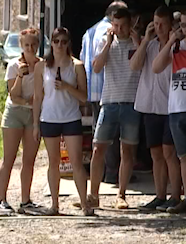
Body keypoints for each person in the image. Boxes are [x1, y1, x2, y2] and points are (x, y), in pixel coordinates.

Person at [33, 27, 92, 216]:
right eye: (56, 41)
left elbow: (84, 97)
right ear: (51, 42)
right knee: (53, 161)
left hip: (71, 117)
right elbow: (37, 97)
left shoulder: (76, 66)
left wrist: (67, 86)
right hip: (49, 117)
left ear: (68, 44)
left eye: (64, 41)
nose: (60, 45)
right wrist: (35, 124)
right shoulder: (42, 66)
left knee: (76, 161)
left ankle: (85, 204)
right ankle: (54, 204)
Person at [89, 7, 142, 210]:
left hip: (131, 102)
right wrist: (108, 44)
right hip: (109, 101)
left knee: (127, 151)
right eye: (115, 25)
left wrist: (138, 42)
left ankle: (121, 194)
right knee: (98, 148)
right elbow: (96, 67)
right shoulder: (105, 41)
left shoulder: (137, 43)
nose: (119, 30)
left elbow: (141, 65)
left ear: (131, 24)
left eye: (122, 26)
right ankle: (93, 194)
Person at [132, 6, 181, 211]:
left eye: (162, 24)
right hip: (149, 106)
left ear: (171, 24)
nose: (159, 28)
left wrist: (169, 40)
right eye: (156, 23)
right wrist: (144, 40)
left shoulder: (177, 47)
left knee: (170, 153)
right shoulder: (150, 46)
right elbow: (134, 66)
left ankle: (175, 195)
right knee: (156, 154)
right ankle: (159, 195)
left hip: (169, 106)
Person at [81, 1, 128, 186]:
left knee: (98, 135)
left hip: (92, 88)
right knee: (112, 136)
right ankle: (111, 173)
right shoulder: (110, 31)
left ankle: (101, 174)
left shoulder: (89, 32)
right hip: (109, 88)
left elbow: (85, 58)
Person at [0, 28, 42, 214]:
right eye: (26, 45)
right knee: (9, 158)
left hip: (33, 114)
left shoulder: (42, 65)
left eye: (33, 44)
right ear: (21, 46)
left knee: (29, 160)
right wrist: (21, 76)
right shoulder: (14, 65)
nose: (30, 48)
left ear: (38, 45)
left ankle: (25, 200)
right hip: (15, 112)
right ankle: (1, 199)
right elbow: (13, 95)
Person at [153, 11, 186, 214]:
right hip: (176, 108)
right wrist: (173, 39)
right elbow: (156, 67)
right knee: (183, 157)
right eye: (182, 25)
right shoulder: (176, 47)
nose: (184, 29)